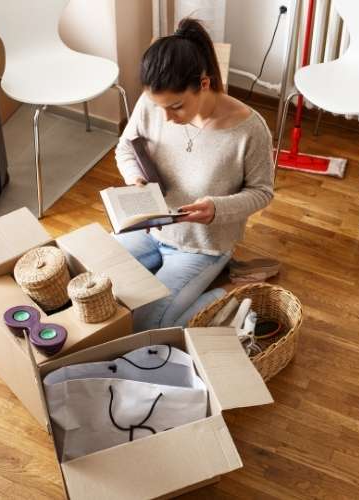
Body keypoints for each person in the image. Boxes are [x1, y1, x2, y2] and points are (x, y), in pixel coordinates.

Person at [114, 18, 274, 332]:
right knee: (96, 286)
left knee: (146, 324)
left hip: (201, 246)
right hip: (147, 230)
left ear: (203, 84)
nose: (166, 118)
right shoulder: (154, 104)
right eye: (159, 107)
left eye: (176, 106)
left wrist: (217, 208)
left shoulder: (250, 129)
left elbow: (262, 192)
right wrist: (135, 179)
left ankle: (229, 293)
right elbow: (125, 148)